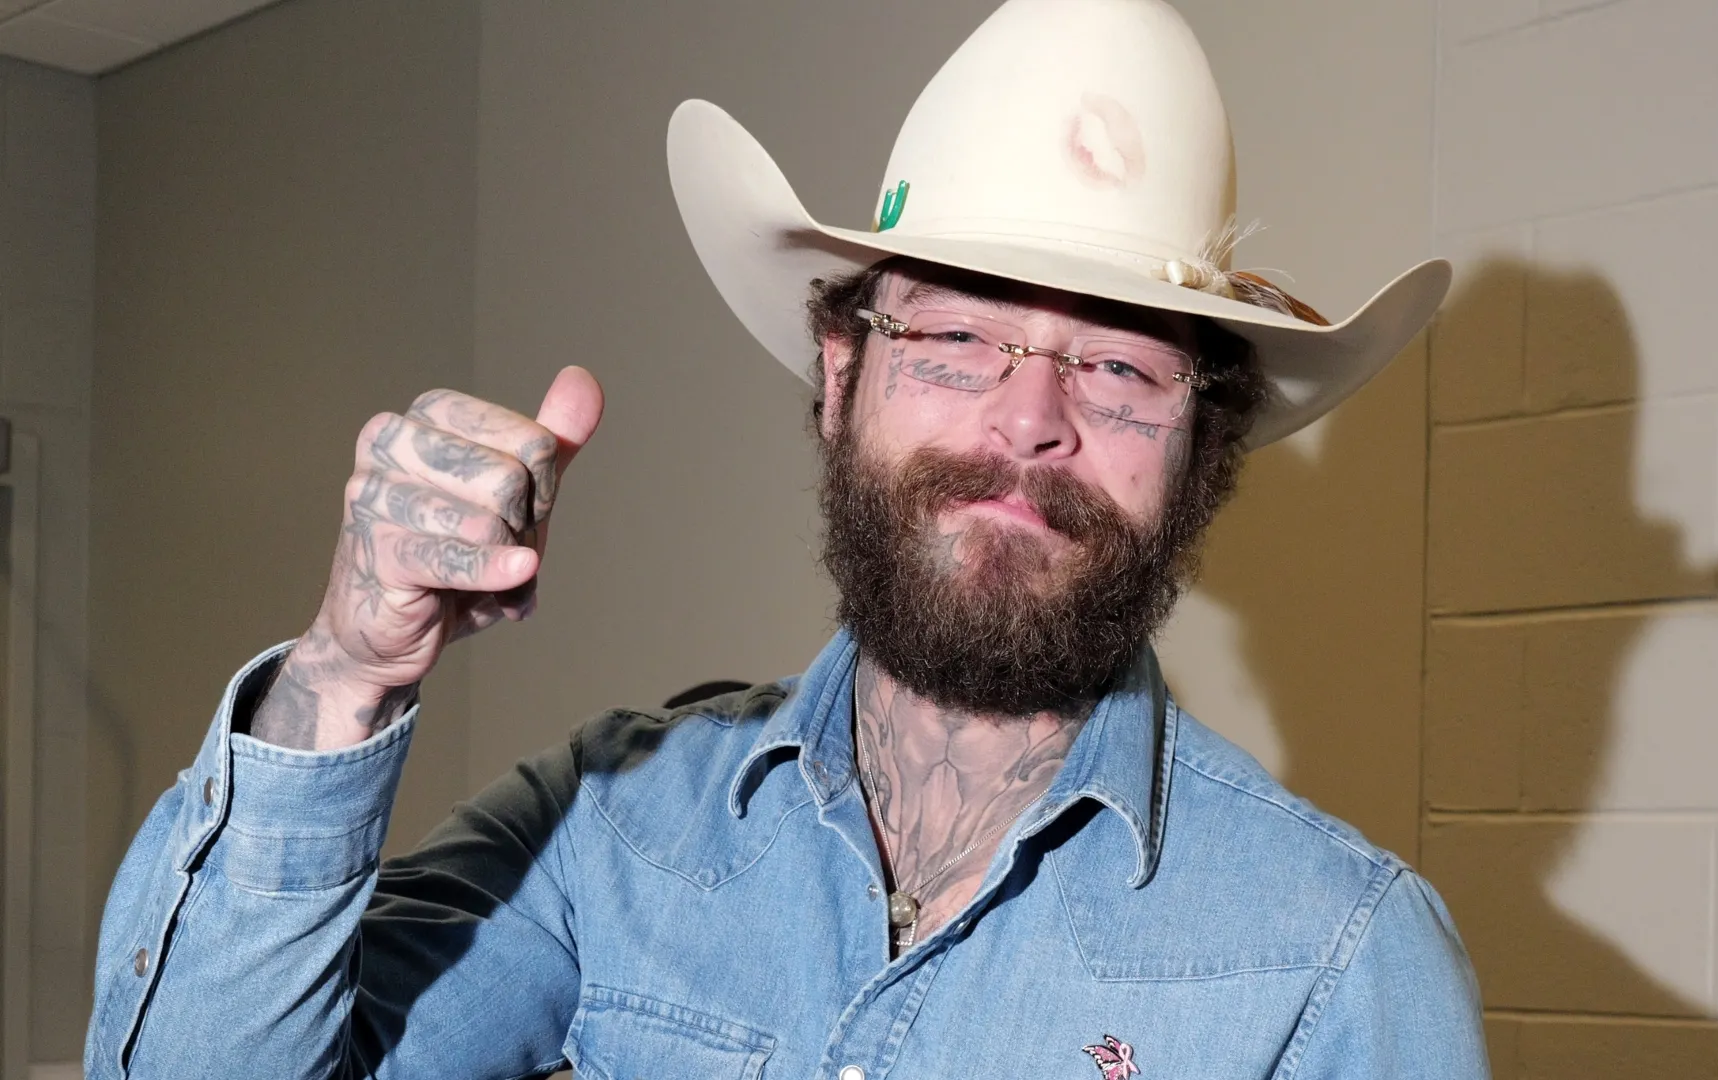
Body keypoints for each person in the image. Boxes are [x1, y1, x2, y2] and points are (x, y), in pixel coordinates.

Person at [86, 2, 1487, 1077]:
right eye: (954, 339)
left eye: (1119, 370)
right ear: (840, 377)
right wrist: (345, 670)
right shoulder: (607, 834)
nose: (1030, 423)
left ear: (1204, 452)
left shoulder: (1337, 956)